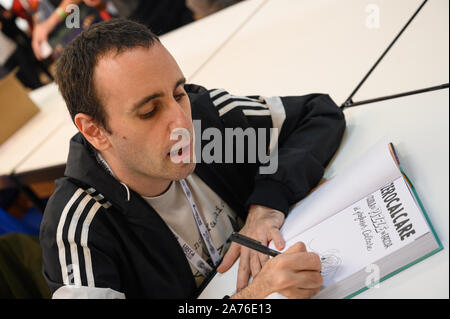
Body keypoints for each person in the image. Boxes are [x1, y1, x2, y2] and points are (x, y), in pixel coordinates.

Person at [39, 18, 346, 299]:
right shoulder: (81, 229)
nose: (182, 121)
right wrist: (255, 297)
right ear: (94, 130)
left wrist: (266, 203)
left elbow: (317, 115)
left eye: (178, 93)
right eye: (149, 111)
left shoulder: (209, 119)